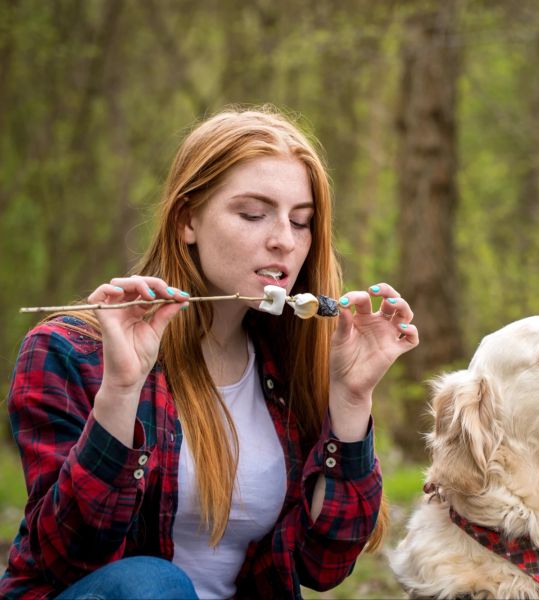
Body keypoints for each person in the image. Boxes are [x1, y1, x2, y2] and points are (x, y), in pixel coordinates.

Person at [1, 106, 419, 599]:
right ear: (187, 221)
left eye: (301, 222)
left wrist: (351, 398)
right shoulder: (71, 351)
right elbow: (65, 555)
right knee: (152, 584)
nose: (283, 240)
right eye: (253, 214)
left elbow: (323, 563)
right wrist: (120, 391)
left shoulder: (290, 365)